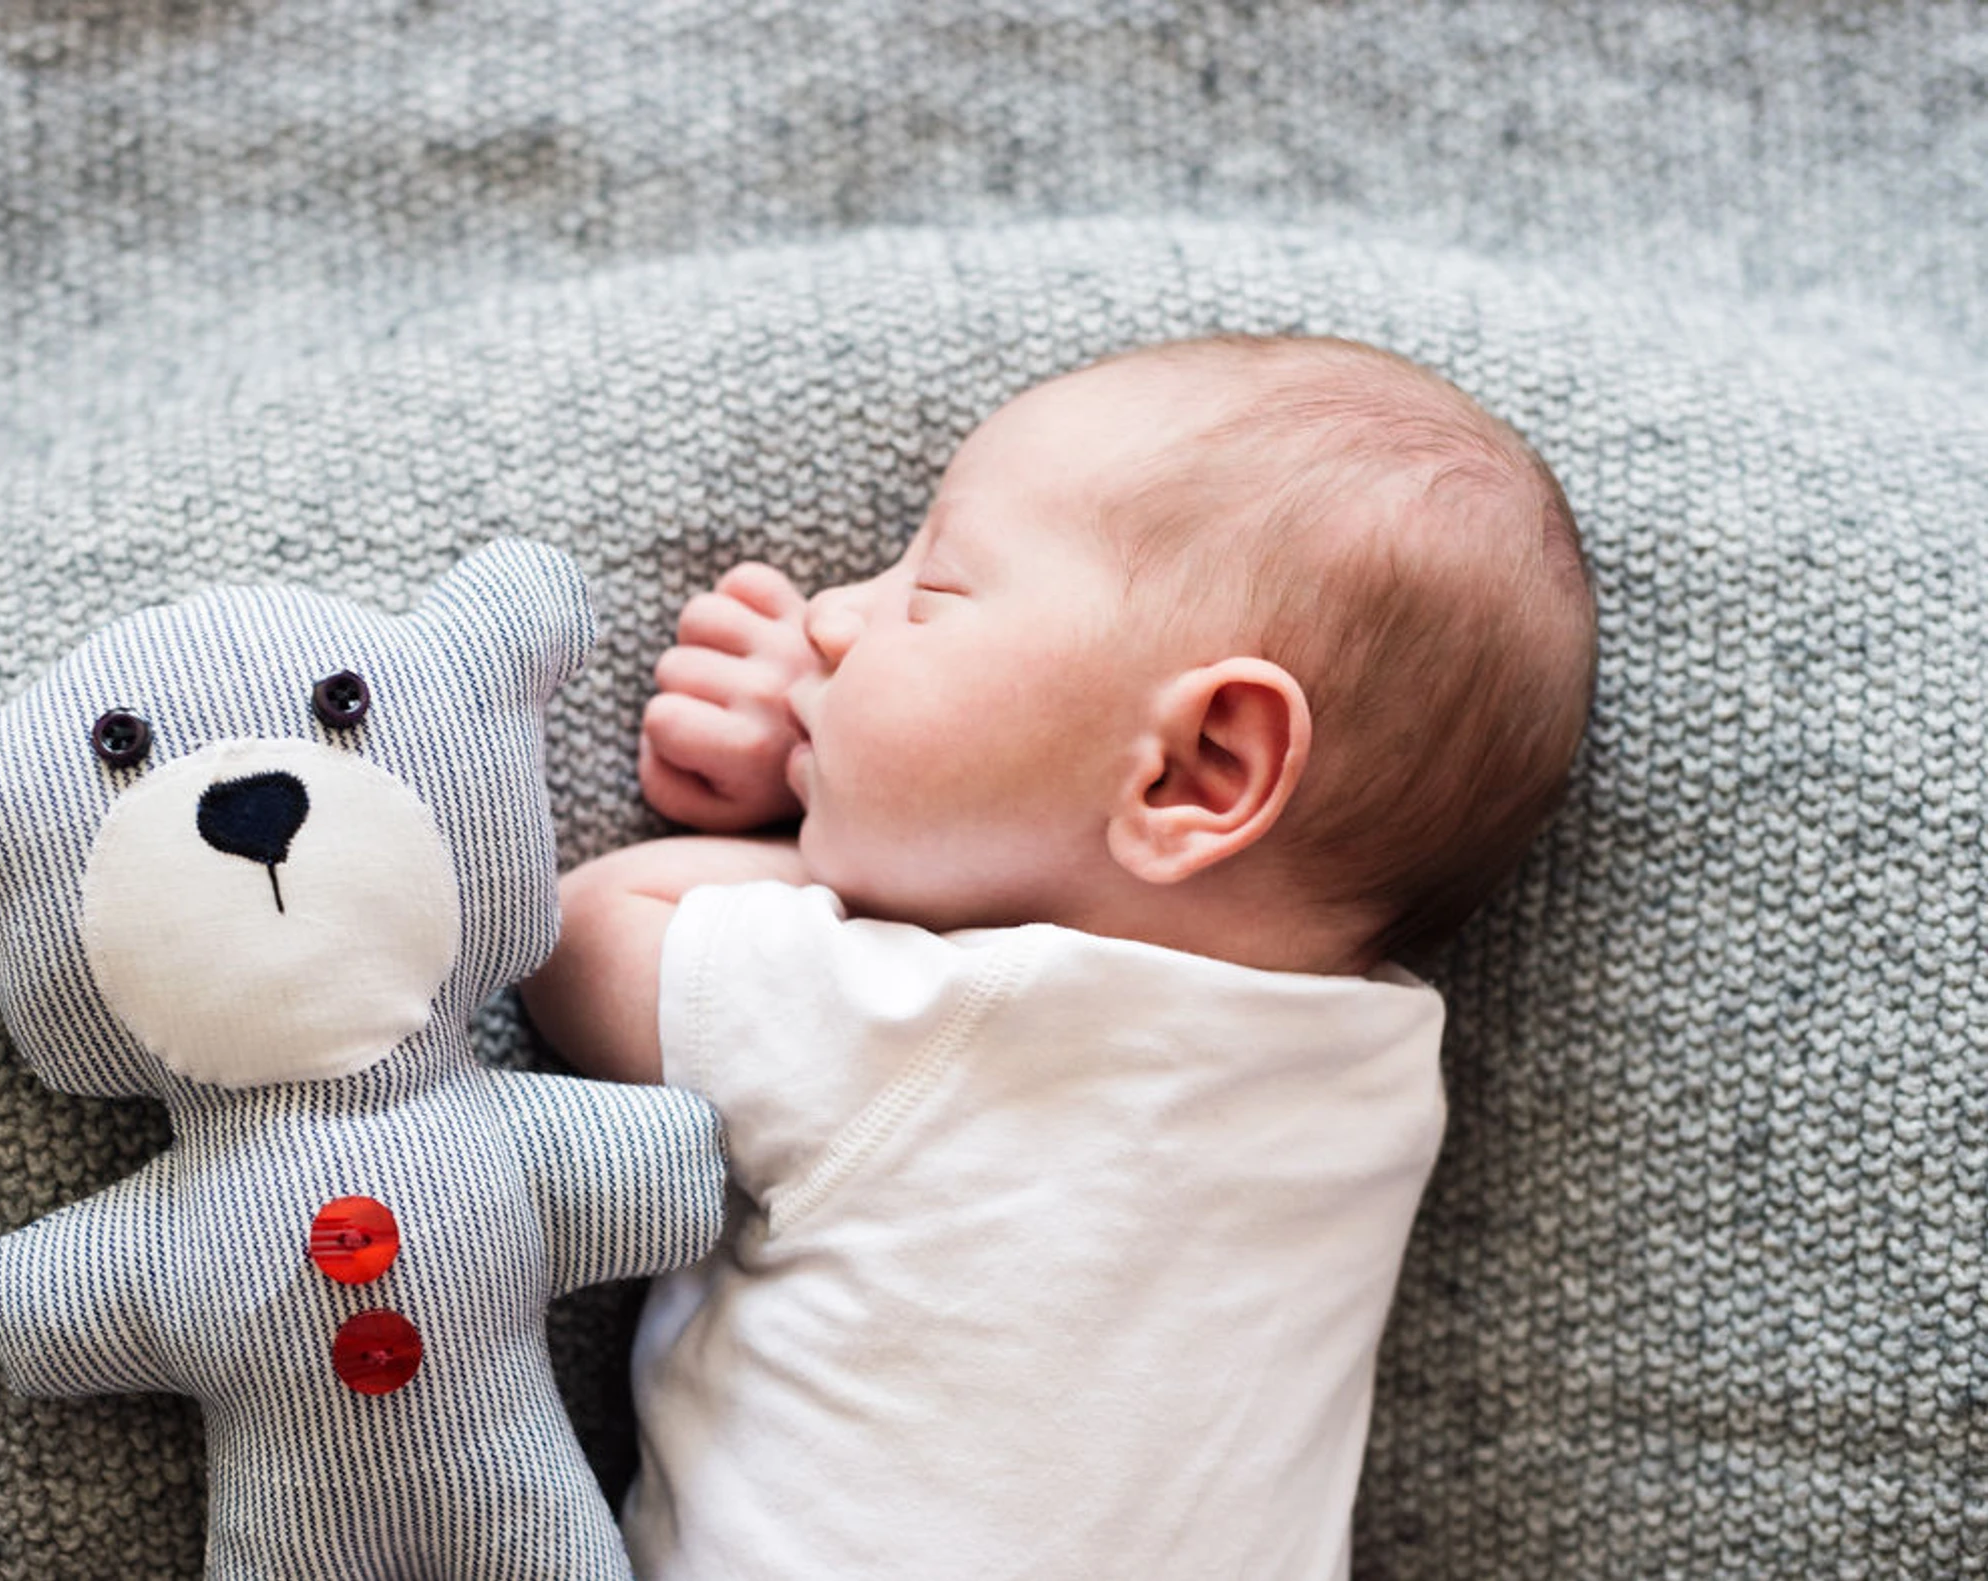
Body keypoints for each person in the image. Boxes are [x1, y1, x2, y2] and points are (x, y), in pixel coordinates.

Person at [520, 333, 1598, 1578]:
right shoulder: (1374, 1074)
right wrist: (862, 764)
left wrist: (806, 803)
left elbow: (586, 933)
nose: (830, 617)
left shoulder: (929, 1020)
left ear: (1198, 770)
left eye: (931, 593)